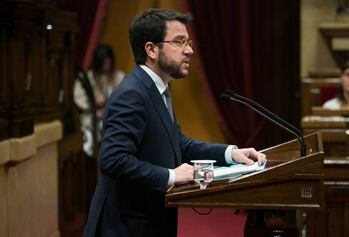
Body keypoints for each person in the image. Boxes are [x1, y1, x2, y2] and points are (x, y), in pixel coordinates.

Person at [83, 8, 266, 237]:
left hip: (149, 222)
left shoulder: (157, 89)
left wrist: (231, 153)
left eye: (188, 42)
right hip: (125, 227)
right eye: (179, 42)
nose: (189, 50)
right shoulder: (132, 94)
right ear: (151, 49)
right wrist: (171, 176)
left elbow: (178, 144)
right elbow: (113, 160)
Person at [73, 44, 125, 157]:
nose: (106, 66)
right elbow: (78, 98)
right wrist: (95, 104)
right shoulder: (87, 78)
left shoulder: (119, 76)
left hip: (114, 119)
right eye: (104, 63)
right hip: (92, 119)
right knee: (89, 140)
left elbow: (125, 99)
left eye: (108, 62)